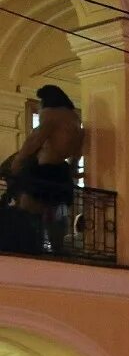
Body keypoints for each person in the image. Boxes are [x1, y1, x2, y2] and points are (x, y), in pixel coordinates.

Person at [1, 85, 84, 252]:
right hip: (62, 173)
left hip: (43, 172)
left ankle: (28, 246)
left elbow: (35, 140)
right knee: (56, 218)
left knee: (27, 211)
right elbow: (77, 152)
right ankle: (57, 251)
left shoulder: (51, 114)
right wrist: (72, 171)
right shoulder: (75, 120)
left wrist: (18, 161)